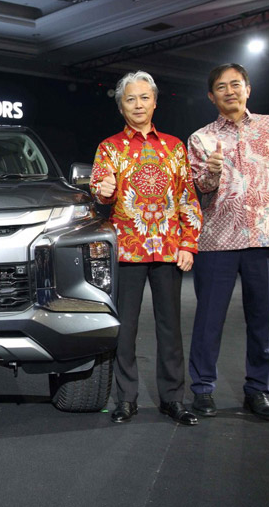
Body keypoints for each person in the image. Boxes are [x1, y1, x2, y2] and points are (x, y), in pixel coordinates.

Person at [187, 63, 269, 421]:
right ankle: (202, 389)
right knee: (208, 321)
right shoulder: (200, 138)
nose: (230, 91)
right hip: (216, 241)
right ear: (211, 96)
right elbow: (199, 189)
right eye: (221, 87)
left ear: (248, 89)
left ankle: (258, 390)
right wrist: (212, 172)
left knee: (262, 322)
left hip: (265, 237)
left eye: (235, 84)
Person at [91, 71, 202, 426]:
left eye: (144, 98)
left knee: (171, 328)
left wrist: (189, 244)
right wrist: (104, 190)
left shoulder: (174, 147)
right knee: (125, 329)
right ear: (121, 106)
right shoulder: (109, 148)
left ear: (154, 102)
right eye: (130, 99)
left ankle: (173, 399)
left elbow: (187, 198)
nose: (138, 105)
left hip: (169, 249)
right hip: (127, 250)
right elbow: (99, 196)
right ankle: (126, 399)